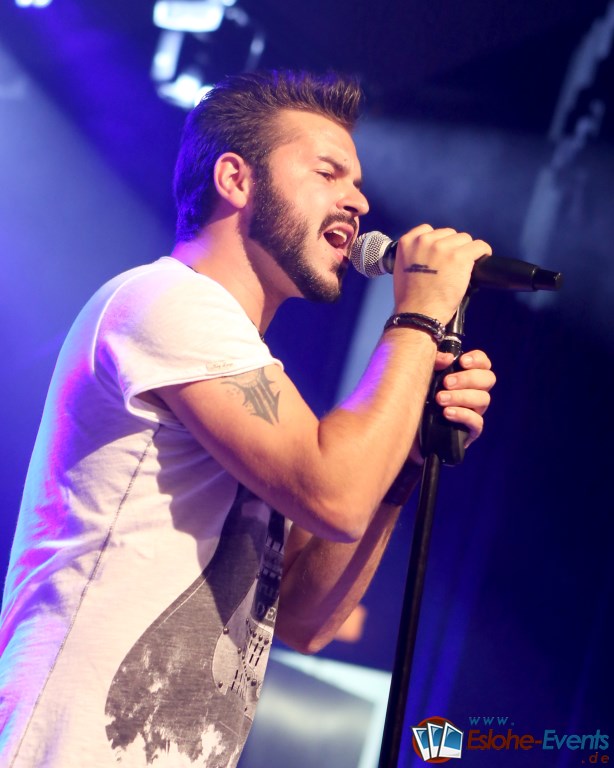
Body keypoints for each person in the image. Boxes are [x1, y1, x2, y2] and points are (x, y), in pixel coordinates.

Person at [0, 70, 496, 767]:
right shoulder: (167, 300)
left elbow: (305, 617)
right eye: (327, 172)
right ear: (236, 179)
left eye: (357, 183)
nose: (359, 201)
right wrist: (419, 316)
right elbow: (334, 493)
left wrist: (406, 453)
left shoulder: (239, 362)